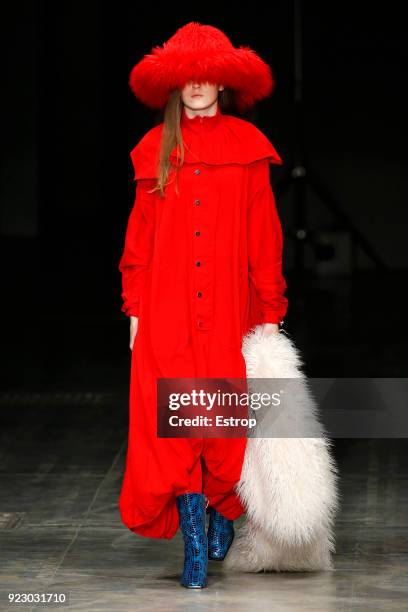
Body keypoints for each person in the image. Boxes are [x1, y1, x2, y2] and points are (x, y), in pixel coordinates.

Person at [118, 21, 288, 588]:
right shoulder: (155, 149)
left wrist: (270, 309)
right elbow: (139, 237)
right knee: (174, 427)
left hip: (226, 307)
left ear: (222, 82)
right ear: (175, 84)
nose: (196, 85)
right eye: (186, 77)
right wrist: (135, 308)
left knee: (218, 420)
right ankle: (194, 548)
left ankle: (221, 512)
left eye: (206, 75)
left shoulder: (247, 147)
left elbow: (264, 232)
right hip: (166, 310)